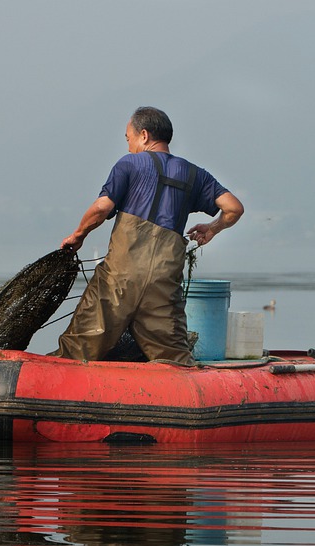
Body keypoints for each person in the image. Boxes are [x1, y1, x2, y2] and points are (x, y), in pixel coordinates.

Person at [54, 107, 244, 365]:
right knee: (173, 359)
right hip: (163, 285)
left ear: (143, 135)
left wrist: (78, 235)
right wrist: (212, 228)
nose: (129, 145)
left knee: (78, 351)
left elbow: (101, 208)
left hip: (118, 282)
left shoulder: (129, 164)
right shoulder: (195, 174)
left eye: (128, 138)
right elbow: (234, 208)